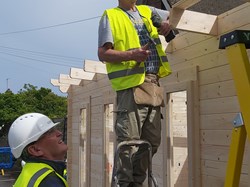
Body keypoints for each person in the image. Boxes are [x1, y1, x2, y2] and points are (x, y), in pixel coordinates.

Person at [98, 0, 172, 186]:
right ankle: (124, 183)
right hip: (131, 85)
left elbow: (173, 15)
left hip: (153, 83)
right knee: (128, 142)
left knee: (152, 142)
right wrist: (132, 55)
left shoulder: (148, 11)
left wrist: (167, 24)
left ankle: (136, 182)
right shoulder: (111, 15)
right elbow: (103, 54)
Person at [8, 113, 68, 187]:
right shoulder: (48, 181)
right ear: (35, 150)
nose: (59, 133)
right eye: (49, 132)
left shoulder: (31, 172)